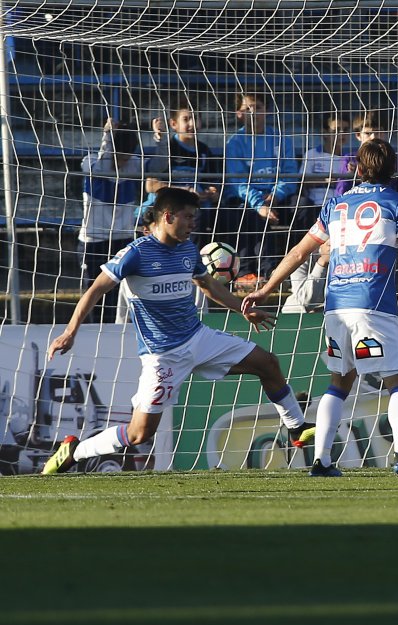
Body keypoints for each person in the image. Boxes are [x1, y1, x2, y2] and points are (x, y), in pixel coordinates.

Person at [42, 188, 313, 475]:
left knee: (267, 363)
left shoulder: (187, 249)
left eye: (194, 218)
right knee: (139, 434)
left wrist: (241, 309)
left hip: (199, 338)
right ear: (168, 216)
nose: (193, 223)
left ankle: (297, 426)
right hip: (163, 356)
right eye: (188, 217)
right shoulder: (135, 254)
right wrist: (69, 332)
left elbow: (207, 285)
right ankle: (75, 451)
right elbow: (94, 291)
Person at [242, 138, 398, 477]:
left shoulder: (336, 205)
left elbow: (299, 253)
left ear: (356, 167)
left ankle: (322, 461)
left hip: (337, 307)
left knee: (339, 383)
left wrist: (266, 289)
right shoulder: (397, 203)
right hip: (373, 305)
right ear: (394, 170)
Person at [222, 92, 302, 285]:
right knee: (248, 214)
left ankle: (299, 267)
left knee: (304, 207)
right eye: (247, 108)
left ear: (266, 111)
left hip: (276, 195)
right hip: (248, 199)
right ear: (239, 114)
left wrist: (275, 195)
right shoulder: (234, 143)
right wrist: (259, 204)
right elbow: (238, 183)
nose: (253, 112)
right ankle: (255, 272)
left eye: (257, 107)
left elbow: (290, 175)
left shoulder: (281, 139)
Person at [282, 115, 351, 314]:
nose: (341, 134)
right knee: (302, 205)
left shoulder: (349, 159)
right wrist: (329, 180)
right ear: (324, 133)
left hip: (339, 207)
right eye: (336, 129)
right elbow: (302, 182)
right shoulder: (313, 154)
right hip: (315, 205)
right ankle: (309, 248)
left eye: (345, 129)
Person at [78, 118, 143, 323]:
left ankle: (117, 333)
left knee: (121, 292)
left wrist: (161, 139)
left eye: (127, 156)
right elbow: (103, 164)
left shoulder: (133, 165)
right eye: (119, 155)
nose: (123, 161)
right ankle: (94, 331)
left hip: (122, 239)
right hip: (93, 240)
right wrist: (107, 136)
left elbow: (159, 165)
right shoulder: (91, 163)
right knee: (94, 292)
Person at [140, 98, 221, 242]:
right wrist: (185, 191)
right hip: (169, 207)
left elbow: (211, 182)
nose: (192, 124)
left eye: (196, 118)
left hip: (196, 207)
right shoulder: (168, 148)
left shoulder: (203, 150)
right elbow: (150, 185)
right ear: (173, 124)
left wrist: (211, 192)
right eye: (186, 119)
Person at [334, 111, 398, 198]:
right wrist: (348, 176)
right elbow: (340, 194)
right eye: (368, 133)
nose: (373, 137)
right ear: (358, 135)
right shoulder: (350, 160)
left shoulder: (395, 160)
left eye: (378, 132)